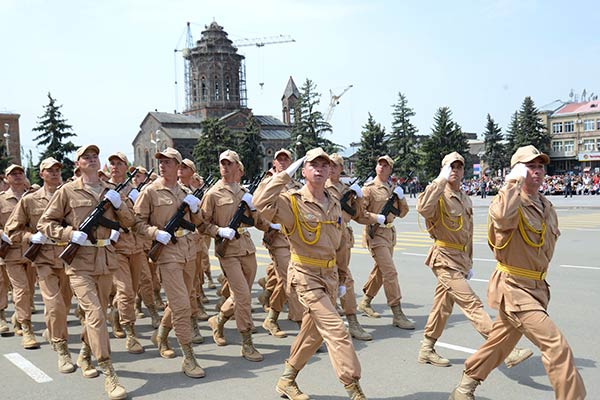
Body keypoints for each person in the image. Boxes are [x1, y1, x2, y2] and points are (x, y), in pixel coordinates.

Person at [449, 145, 587, 400]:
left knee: (500, 342)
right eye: (530, 166)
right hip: (514, 289)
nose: (537, 171)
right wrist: (512, 181)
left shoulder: (546, 206)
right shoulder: (509, 203)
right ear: (518, 170)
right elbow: (501, 218)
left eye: (540, 167)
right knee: (556, 347)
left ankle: (464, 387)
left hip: (536, 289)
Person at [254, 147, 367, 400]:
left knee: (312, 335)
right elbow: (260, 203)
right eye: (312, 165)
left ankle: (287, 380)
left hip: (329, 277)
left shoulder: (334, 202)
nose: (319, 169)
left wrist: (341, 276)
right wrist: (284, 176)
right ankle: (354, 388)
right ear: (303, 171)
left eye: (324, 165)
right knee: (337, 329)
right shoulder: (291, 201)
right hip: (305, 276)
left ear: (330, 171)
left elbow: (339, 244)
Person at [416, 152, 532, 368]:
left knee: (442, 306)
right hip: (443, 259)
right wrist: (440, 180)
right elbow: (422, 208)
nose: (455, 171)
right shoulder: (438, 194)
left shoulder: (464, 197)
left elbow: (467, 234)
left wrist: (469, 263)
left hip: (460, 260)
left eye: (459, 167)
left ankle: (426, 348)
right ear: (444, 170)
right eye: (451, 167)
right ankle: (505, 349)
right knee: (472, 303)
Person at [38, 144, 132, 399]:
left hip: (105, 260)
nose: (91, 160)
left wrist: (119, 205)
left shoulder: (110, 191)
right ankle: (109, 372)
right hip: (78, 263)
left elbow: (130, 222)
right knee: (96, 314)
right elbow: (45, 223)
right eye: (86, 157)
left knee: (97, 313)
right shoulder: (67, 191)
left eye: (94, 156)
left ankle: (85, 352)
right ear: (77, 163)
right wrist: (69, 234)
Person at [133, 147, 206, 378]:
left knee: (184, 300)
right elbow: (136, 222)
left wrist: (195, 210)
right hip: (167, 253)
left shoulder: (185, 191)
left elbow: (197, 222)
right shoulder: (150, 192)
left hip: (189, 252)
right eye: (161, 162)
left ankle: (161, 337)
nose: (163, 165)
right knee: (182, 305)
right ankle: (189, 356)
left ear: (178, 167)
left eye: (169, 162)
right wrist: (156, 233)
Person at [4, 157, 76, 372]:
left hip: (68, 257)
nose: (54, 173)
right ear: (41, 174)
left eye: (57, 169)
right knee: (53, 305)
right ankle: (61, 348)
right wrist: (30, 237)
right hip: (43, 258)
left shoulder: (71, 196)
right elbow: (11, 230)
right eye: (49, 170)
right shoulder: (30, 200)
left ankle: (53, 330)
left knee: (64, 303)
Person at [202, 150, 269, 362]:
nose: (225, 167)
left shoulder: (244, 192)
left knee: (242, 294)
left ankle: (219, 320)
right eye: (222, 163)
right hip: (227, 249)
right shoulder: (213, 194)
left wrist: (253, 208)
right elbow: (201, 223)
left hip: (246, 247)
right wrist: (218, 231)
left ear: (239, 168)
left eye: (229, 164)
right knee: (242, 295)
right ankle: (247, 342)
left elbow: (257, 222)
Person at [356, 155, 414, 330]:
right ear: (376, 168)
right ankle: (397, 312)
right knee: (390, 272)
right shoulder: (369, 189)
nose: (382, 167)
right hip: (375, 234)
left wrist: (401, 197)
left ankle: (365, 302)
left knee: (381, 271)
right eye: (380, 164)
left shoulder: (393, 188)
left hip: (389, 234)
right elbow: (360, 213)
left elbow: (402, 213)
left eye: (385, 165)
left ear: (390, 170)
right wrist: (376, 218)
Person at [258, 148, 304, 338]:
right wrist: (271, 225)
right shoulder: (267, 184)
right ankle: (303, 328)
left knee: (283, 282)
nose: (283, 162)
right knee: (291, 281)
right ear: (274, 163)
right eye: (279, 159)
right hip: (277, 240)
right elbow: (257, 210)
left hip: (294, 239)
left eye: (286, 160)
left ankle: (271, 317)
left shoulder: (297, 185)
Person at [326, 153, 372, 341]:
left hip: (343, 236)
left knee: (345, 279)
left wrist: (359, 197)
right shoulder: (321, 188)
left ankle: (352, 322)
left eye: (335, 165)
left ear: (341, 168)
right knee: (328, 278)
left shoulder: (347, 189)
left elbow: (358, 215)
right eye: (329, 165)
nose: (331, 169)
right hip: (326, 236)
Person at [105, 152, 145, 354]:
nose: (115, 166)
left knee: (133, 290)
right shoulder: (104, 190)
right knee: (126, 290)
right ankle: (131, 333)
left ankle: (116, 313)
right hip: (117, 247)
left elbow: (141, 218)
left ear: (126, 167)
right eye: (112, 163)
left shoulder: (134, 191)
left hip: (136, 247)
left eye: (119, 163)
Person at [0, 164, 39, 348]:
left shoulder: (33, 198)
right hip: (11, 252)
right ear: (6, 178)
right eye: (12, 174)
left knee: (29, 291)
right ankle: (27, 328)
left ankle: (19, 315)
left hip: (32, 251)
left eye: (20, 173)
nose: (17, 176)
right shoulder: (1, 200)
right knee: (21, 290)